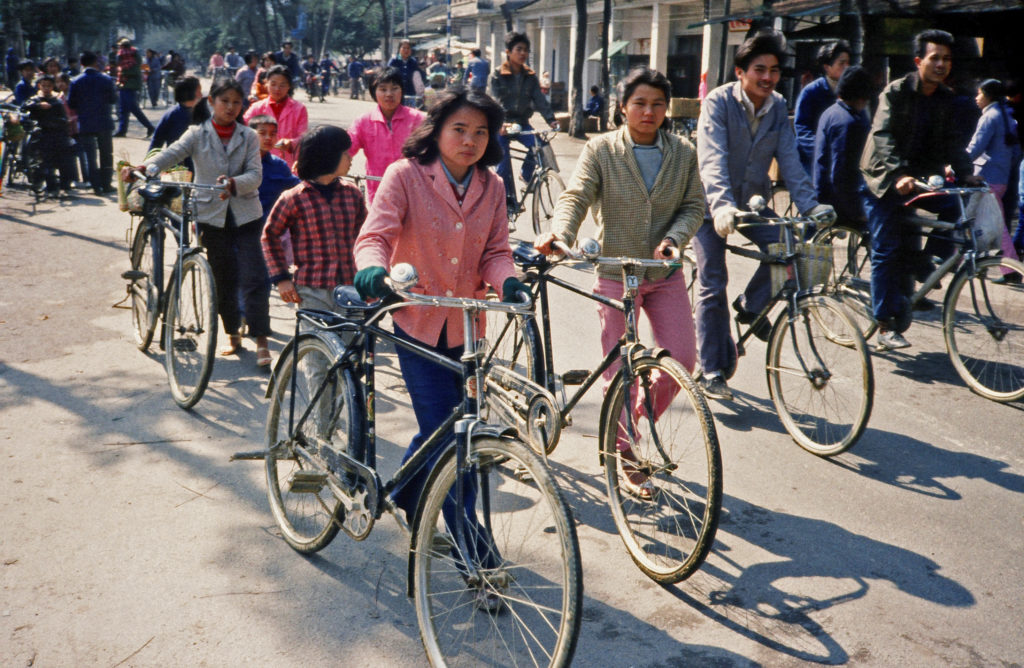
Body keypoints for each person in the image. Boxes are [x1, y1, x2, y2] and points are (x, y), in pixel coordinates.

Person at [352, 87, 525, 533]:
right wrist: (373, 271)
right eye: (460, 129)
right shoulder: (404, 175)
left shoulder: (493, 185)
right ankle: (472, 546)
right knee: (454, 438)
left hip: (467, 326)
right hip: (417, 321)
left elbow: (495, 251)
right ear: (437, 130)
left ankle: (402, 495)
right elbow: (375, 237)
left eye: (481, 132)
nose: (470, 140)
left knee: (448, 424)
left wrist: (507, 280)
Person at [534, 67, 704, 497]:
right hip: (614, 271)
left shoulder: (683, 151)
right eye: (640, 103)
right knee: (619, 369)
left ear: (667, 110)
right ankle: (624, 451)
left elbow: (693, 204)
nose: (648, 112)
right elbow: (576, 195)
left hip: (664, 273)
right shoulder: (601, 149)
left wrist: (674, 239)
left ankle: (631, 419)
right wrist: (562, 235)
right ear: (623, 107)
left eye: (658, 104)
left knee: (682, 359)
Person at [693, 30, 834, 401]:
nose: (767, 77)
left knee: (791, 246)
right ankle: (710, 370)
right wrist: (721, 205)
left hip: (752, 204)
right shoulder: (718, 103)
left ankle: (751, 306)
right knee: (712, 282)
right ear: (741, 72)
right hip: (709, 206)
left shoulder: (776, 108)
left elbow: (789, 159)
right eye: (759, 69)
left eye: (773, 70)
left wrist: (812, 207)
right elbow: (712, 160)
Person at [128, 78, 265, 365]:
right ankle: (232, 333)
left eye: (236, 102)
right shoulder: (196, 134)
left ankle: (262, 339)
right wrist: (146, 167)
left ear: (242, 106)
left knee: (254, 275)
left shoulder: (249, 136)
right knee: (223, 277)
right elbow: (171, 153)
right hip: (209, 215)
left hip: (246, 214)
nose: (230, 107)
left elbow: (255, 175)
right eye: (224, 101)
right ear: (211, 102)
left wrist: (234, 183)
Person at [860, 29, 979, 350]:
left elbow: (952, 143)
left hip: (917, 179)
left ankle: (921, 262)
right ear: (918, 61)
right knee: (886, 249)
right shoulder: (896, 92)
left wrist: (967, 174)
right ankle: (884, 325)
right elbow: (882, 135)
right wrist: (897, 173)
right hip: (884, 178)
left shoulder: (946, 99)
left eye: (947, 59)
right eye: (934, 58)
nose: (941, 64)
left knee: (955, 209)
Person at [263, 124, 365, 316]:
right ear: (328, 157)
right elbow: (270, 236)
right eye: (345, 153)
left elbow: (365, 238)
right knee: (316, 341)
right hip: (311, 289)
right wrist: (282, 278)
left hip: (351, 286)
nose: (351, 158)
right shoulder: (294, 198)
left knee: (353, 342)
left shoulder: (353, 194)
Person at [489, 31, 559, 213]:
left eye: (526, 50)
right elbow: (494, 101)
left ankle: (525, 174)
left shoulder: (530, 76)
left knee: (541, 145)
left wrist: (551, 119)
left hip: (521, 122)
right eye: (518, 49)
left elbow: (539, 100)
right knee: (503, 162)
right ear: (508, 52)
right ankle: (506, 202)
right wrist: (500, 123)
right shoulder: (497, 75)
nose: (523, 54)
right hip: (502, 124)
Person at [966, 78, 1022, 280]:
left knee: (995, 227)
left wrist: (955, 165)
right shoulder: (1008, 115)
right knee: (977, 221)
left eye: (979, 93)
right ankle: (973, 263)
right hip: (1002, 178)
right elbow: (1015, 151)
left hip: (986, 178)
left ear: (988, 95)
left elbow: (975, 147)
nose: (976, 97)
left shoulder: (990, 116)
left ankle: (1011, 270)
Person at [347, 67, 426, 203]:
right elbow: (345, 149)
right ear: (374, 92)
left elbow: (434, 153)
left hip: (413, 191)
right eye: (383, 89)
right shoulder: (363, 121)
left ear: (402, 90)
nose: (389, 94)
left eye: (394, 88)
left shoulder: (418, 119)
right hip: (378, 191)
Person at [813, 65, 874, 225]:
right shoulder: (848, 122)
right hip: (838, 200)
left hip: (823, 191)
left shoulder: (831, 112)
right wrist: (857, 211)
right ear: (861, 97)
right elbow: (841, 174)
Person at [794, 40, 852, 174]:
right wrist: (823, 152)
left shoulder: (851, 92)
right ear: (827, 67)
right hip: (813, 162)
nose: (846, 67)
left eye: (848, 63)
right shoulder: (812, 91)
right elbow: (802, 130)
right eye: (841, 63)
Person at [68, 51, 118, 195]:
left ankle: (96, 186)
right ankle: (106, 184)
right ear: (96, 62)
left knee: (91, 156)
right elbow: (113, 99)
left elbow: (72, 103)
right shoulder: (106, 79)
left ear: (81, 64)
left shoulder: (76, 81)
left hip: (85, 123)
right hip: (104, 122)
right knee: (106, 154)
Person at [242, 64, 308, 168]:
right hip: (259, 163)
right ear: (266, 83)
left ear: (289, 86)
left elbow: (303, 137)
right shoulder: (257, 107)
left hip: (289, 164)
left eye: (282, 85)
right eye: (273, 84)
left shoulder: (299, 109)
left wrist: (291, 143)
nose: (277, 89)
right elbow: (243, 127)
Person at [22, 74, 76, 197]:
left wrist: (56, 123)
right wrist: (38, 106)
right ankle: (49, 187)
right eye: (43, 85)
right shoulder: (34, 100)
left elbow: (63, 119)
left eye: (49, 86)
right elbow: (24, 108)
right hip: (41, 135)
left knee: (63, 160)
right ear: (39, 86)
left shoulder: (56, 102)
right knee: (45, 162)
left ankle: (64, 186)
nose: (46, 88)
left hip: (57, 134)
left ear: (53, 87)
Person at [149, 76, 203, 170]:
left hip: (197, 166)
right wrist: (149, 164)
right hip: (176, 167)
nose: (201, 95)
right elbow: (157, 140)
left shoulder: (201, 114)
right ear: (189, 93)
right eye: (199, 91)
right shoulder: (172, 115)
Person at [113, 38, 155, 138]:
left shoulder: (133, 58)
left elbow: (135, 71)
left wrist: (123, 73)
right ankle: (122, 131)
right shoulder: (125, 57)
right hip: (124, 85)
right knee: (123, 110)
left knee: (133, 108)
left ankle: (149, 127)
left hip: (131, 85)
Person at [387, 39, 422, 107]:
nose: (406, 50)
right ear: (399, 49)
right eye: (404, 48)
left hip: (410, 93)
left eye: (408, 48)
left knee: (410, 114)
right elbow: (387, 75)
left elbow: (417, 76)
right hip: (396, 94)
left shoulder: (413, 61)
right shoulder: (394, 60)